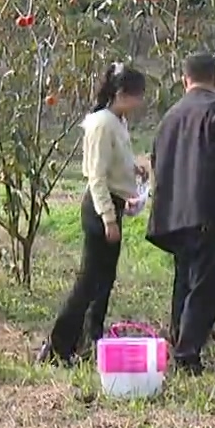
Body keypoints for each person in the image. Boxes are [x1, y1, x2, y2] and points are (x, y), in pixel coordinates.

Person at [146, 52, 215, 372]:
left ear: (185, 80)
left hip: (176, 213)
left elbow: (156, 160)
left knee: (186, 280)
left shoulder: (170, 116)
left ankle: (178, 342)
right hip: (210, 212)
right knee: (210, 285)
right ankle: (187, 353)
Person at [40, 64, 148, 365]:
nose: (139, 102)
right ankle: (58, 346)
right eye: (137, 96)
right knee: (88, 281)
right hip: (101, 208)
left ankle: (90, 340)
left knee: (104, 280)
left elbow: (115, 161)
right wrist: (108, 218)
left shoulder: (117, 121)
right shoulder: (102, 123)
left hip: (114, 203)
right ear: (121, 93)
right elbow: (96, 177)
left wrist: (133, 170)